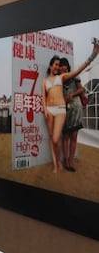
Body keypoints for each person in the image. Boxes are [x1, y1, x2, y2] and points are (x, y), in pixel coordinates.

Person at [41, 42, 99, 173]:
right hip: (52, 110)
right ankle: (59, 164)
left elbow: (79, 71)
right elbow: (43, 97)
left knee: (61, 138)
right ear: (51, 66)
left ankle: (66, 162)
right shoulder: (46, 81)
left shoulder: (63, 77)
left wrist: (93, 55)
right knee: (56, 139)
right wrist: (45, 109)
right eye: (56, 65)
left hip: (64, 110)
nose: (58, 67)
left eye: (59, 65)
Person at [59, 57, 86, 172]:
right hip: (65, 110)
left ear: (67, 66)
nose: (62, 68)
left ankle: (71, 161)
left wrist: (72, 95)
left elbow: (82, 90)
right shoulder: (58, 80)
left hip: (76, 108)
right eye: (60, 66)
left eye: (63, 65)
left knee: (74, 136)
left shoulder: (75, 75)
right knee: (65, 136)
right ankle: (65, 160)